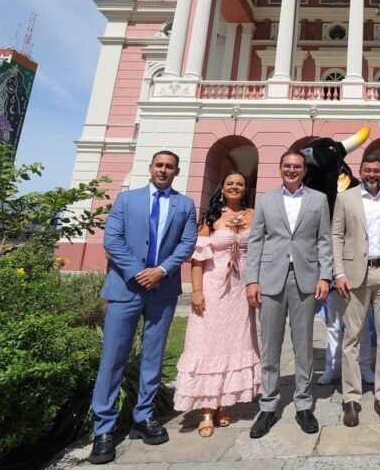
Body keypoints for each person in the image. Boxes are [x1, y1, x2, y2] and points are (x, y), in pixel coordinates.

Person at [88, 151, 198, 465]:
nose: (163, 170)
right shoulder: (127, 200)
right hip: (126, 287)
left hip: (162, 290)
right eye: (159, 165)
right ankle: (104, 428)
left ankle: (144, 416)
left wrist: (161, 271)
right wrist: (139, 272)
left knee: (153, 354)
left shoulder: (185, 205)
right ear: (150, 168)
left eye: (169, 167)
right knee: (113, 357)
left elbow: (186, 244)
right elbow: (112, 240)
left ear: (177, 172)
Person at [244, 150, 332, 439]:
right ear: (280, 168)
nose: (292, 170)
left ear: (304, 170)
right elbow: (256, 241)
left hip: (305, 278)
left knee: (303, 344)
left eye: (297, 166)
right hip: (270, 278)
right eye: (287, 166)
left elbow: (324, 240)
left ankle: (304, 404)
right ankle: (268, 405)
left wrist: (325, 275)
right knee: (270, 345)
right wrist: (251, 280)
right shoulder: (266, 199)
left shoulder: (318, 200)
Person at [173, 172, 261, 437]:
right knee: (207, 345)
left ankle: (224, 403)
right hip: (213, 289)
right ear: (222, 188)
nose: (235, 187)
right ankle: (207, 409)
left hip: (240, 290)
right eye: (230, 183)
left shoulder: (254, 215)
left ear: (245, 189)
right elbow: (197, 261)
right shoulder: (210, 218)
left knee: (235, 344)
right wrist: (197, 292)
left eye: (240, 184)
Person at [331, 154, 380, 426]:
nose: (372, 174)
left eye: (376, 170)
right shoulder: (345, 198)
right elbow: (336, 235)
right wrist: (339, 273)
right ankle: (351, 398)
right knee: (351, 336)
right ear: (360, 172)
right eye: (367, 170)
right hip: (353, 275)